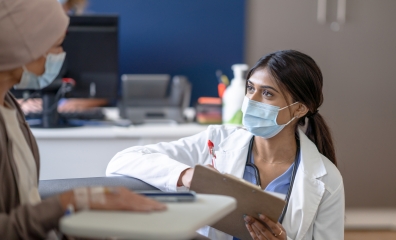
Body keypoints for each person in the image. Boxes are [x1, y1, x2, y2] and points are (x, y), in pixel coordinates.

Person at [106, 50, 345, 240]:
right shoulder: (217, 140)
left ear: (300, 108)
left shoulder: (327, 180)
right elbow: (122, 161)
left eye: (268, 94)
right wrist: (187, 175)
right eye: (251, 88)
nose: (251, 100)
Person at [0, 0, 166, 239]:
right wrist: (71, 201)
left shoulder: (9, 107)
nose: (60, 56)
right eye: (56, 46)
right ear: (22, 48)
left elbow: (27, 206)